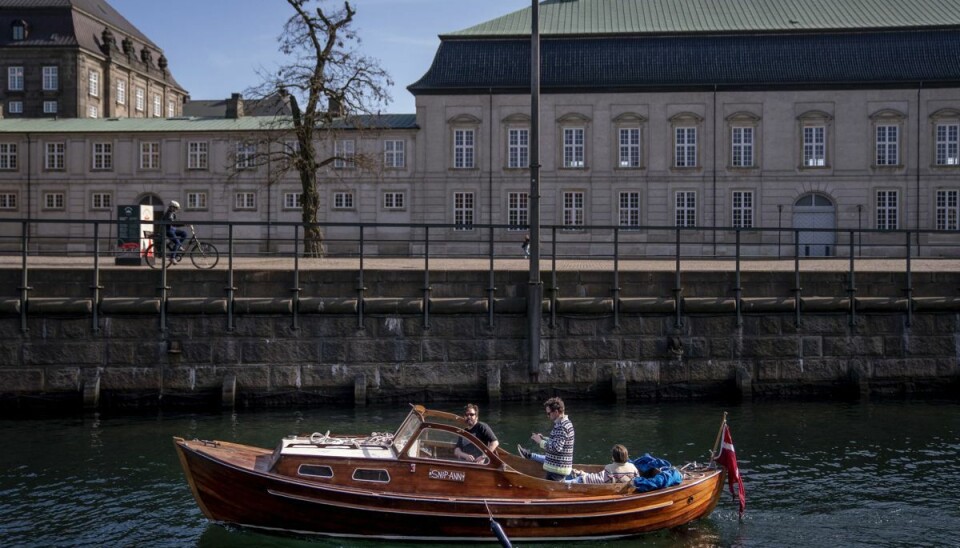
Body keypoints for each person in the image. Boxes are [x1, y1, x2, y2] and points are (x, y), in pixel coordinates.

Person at [517, 396, 575, 480]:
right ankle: (528, 455)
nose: (548, 416)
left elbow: (556, 448)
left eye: (549, 413)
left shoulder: (562, 426)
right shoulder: (563, 424)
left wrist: (540, 441)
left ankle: (528, 455)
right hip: (557, 468)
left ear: (556, 412)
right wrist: (543, 438)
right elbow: (557, 442)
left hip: (557, 471)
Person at [567, 444, 639, 484]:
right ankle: (580, 473)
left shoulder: (609, 468)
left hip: (584, 480)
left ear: (613, 457)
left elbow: (600, 480)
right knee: (585, 475)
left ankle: (579, 473)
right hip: (593, 478)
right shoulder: (633, 467)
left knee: (566, 483)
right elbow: (637, 479)